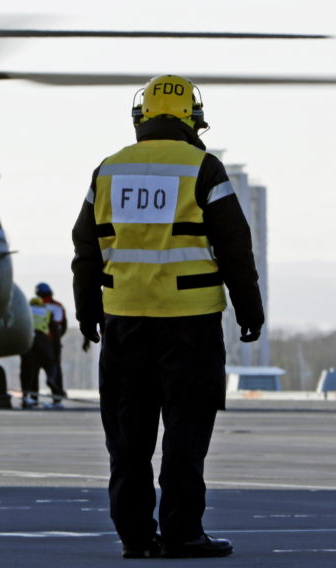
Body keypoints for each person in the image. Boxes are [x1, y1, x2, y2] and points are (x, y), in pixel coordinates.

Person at [72, 75, 264, 559]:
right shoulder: (203, 167)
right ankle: (182, 533)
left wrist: (87, 309)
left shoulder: (108, 170)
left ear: (142, 117)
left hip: (124, 324)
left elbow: (85, 246)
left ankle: (135, 536)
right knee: (185, 430)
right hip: (190, 323)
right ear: (192, 119)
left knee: (128, 436)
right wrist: (249, 308)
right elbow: (235, 245)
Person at [18, 295, 56, 409]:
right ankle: (52, 383)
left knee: (28, 370)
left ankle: (27, 397)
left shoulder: (26, 310)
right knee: (50, 365)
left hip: (29, 341)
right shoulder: (46, 311)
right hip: (43, 340)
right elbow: (55, 329)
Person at [35, 282, 68, 407]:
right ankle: (57, 396)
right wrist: (57, 339)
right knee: (55, 367)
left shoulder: (38, 307)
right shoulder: (59, 306)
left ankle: (33, 396)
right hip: (54, 341)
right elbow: (63, 326)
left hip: (38, 341)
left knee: (34, 369)